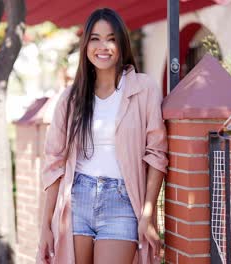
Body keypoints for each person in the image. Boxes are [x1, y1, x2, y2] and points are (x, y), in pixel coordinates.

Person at [37, 8, 168, 264]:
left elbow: (156, 154)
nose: (103, 46)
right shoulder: (70, 98)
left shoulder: (144, 89)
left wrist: (148, 214)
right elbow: (54, 163)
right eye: (95, 38)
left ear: (121, 43)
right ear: (86, 45)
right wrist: (45, 227)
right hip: (76, 201)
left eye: (111, 38)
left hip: (122, 203)